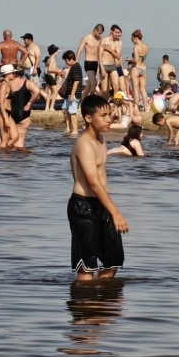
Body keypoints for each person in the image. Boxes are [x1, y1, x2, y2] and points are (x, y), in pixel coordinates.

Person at [69, 94, 128, 282]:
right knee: (87, 265)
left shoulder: (101, 139)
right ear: (88, 118)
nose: (109, 119)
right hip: (83, 206)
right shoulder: (83, 143)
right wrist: (116, 213)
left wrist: (110, 210)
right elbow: (93, 182)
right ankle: (86, 306)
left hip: (102, 203)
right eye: (103, 115)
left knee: (114, 260)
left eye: (110, 114)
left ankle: (102, 305)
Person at [0, 65, 41, 149]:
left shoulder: (7, 83)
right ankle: (18, 159)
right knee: (20, 139)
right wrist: (29, 103)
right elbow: (37, 92)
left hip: (9, 112)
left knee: (3, 138)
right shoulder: (27, 82)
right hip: (22, 113)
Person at [57, 51, 84, 137]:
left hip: (74, 94)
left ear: (71, 59)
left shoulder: (76, 67)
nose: (66, 62)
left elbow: (76, 81)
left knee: (72, 112)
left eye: (66, 60)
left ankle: (75, 130)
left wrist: (72, 94)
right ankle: (68, 128)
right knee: (65, 110)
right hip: (69, 94)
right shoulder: (73, 67)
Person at [75, 24, 105, 99]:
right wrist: (76, 61)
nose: (99, 35)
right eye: (99, 33)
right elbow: (80, 50)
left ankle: (82, 101)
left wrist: (100, 66)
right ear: (95, 30)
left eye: (101, 33)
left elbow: (100, 53)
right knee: (94, 83)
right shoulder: (86, 38)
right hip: (88, 62)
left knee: (89, 86)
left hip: (96, 63)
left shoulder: (99, 39)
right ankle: (92, 99)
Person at [99, 25, 125, 96]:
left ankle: (115, 105)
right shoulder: (104, 40)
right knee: (104, 90)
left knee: (116, 86)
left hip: (113, 66)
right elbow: (100, 56)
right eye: (116, 32)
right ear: (111, 31)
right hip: (104, 65)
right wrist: (102, 68)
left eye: (118, 33)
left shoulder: (117, 42)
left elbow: (118, 56)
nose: (117, 34)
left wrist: (110, 50)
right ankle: (95, 99)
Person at [128, 30, 149, 107]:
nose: (132, 41)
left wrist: (129, 59)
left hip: (136, 68)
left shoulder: (136, 47)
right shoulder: (146, 46)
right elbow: (143, 58)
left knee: (136, 89)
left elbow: (136, 60)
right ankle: (145, 108)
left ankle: (136, 107)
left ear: (136, 38)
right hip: (144, 68)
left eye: (132, 39)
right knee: (143, 89)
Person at [43, 45, 63, 111]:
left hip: (48, 76)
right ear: (54, 52)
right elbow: (50, 69)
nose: (57, 52)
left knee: (49, 92)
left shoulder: (49, 59)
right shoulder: (52, 59)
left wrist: (56, 69)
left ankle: (47, 107)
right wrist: (58, 71)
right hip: (51, 76)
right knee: (55, 91)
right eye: (57, 51)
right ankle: (51, 107)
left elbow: (48, 66)